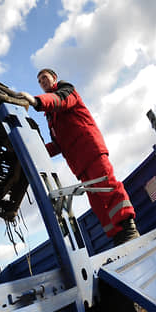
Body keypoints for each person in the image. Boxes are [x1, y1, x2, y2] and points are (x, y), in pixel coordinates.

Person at [20, 69, 139, 246]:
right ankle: (118, 236)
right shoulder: (51, 116)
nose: (42, 82)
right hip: (78, 164)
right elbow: (58, 144)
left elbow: (59, 100)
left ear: (55, 78)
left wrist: (36, 101)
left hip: (90, 149)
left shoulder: (66, 91)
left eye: (45, 77)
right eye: (39, 81)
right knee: (97, 201)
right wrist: (32, 151)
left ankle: (128, 228)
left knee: (107, 187)